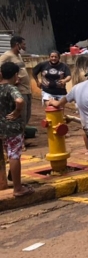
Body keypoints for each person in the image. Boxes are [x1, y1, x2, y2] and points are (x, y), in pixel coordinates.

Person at [0, 62, 33, 197]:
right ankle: (18, 188)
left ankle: (4, 182)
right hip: (12, 127)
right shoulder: (10, 88)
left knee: (4, 154)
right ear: (15, 75)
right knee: (14, 155)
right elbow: (19, 100)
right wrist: (17, 112)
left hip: (0, 127)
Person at [0, 36, 32, 127]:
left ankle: (22, 137)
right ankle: (19, 139)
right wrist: (8, 82)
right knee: (22, 116)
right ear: (17, 45)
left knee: (27, 115)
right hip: (19, 90)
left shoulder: (18, 55)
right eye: (23, 44)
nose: (25, 46)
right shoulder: (7, 55)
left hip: (27, 89)